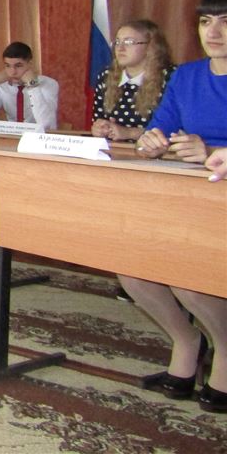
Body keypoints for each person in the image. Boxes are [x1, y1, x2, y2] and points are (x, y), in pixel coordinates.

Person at [129, 0, 227, 413]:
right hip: (187, 192)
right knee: (132, 268)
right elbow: (159, 129)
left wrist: (211, 151)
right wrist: (151, 142)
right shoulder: (186, 76)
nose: (213, 32)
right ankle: (187, 341)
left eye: (225, 22)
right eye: (206, 22)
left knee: (187, 274)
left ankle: (225, 349)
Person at [90, 19, 175, 302]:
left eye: (129, 42)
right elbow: (98, 118)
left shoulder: (171, 78)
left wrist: (130, 133)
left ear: (150, 46)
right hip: (118, 161)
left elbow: (177, 130)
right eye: (118, 42)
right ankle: (133, 275)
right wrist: (100, 127)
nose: (120, 48)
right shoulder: (107, 76)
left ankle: (160, 278)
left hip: (162, 164)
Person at [0, 41, 59, 245]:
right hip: (11, 142)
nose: (12, 72)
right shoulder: (2, 86)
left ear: (30, 64)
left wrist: (32, 86)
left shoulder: (48, 84)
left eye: (18, 66)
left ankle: (29, 222)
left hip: (39, 144)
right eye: (7, 66)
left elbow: (46, 123)